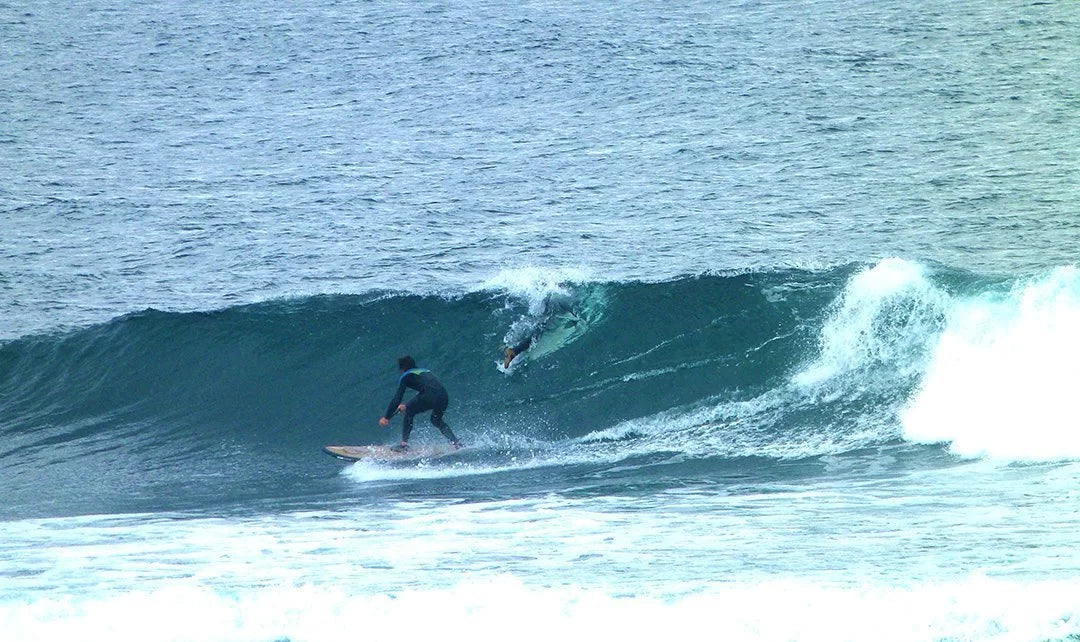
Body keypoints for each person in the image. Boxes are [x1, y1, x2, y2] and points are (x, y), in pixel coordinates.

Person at [379, 356, 462, 451]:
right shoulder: (425, 371)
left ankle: (404, 445)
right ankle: (456, 442)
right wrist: (407, 405)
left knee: (410, 410)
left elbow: (398, 398)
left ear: (402, 369)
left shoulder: (406, 376)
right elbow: (429, 389)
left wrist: (386, 417)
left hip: (429, 395)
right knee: (436, 420)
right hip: (443, 396)